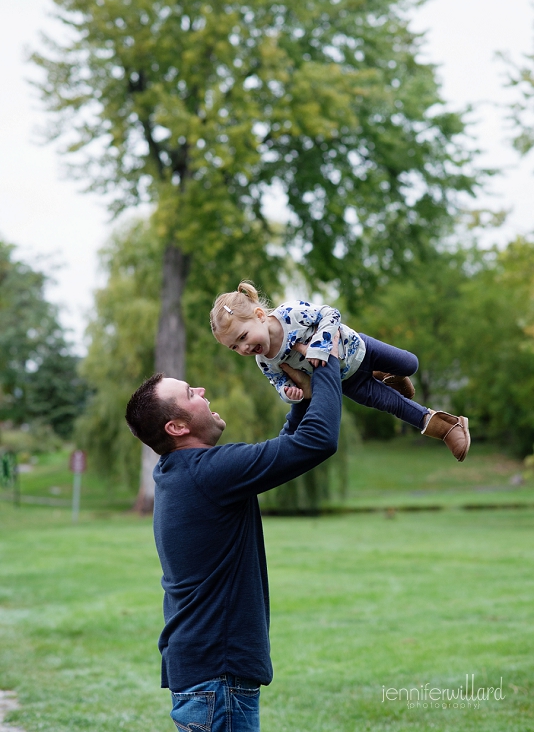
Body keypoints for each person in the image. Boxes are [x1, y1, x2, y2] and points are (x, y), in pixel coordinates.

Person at [125, 335, 342, 732]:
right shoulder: (210, 473)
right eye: (191, 393)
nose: (202, 391)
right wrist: (326, 359)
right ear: (176, 426)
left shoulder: (180, 473)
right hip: (217, 679)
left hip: (206, 675)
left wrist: (302, 401)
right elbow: (318, 442)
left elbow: (286, 449)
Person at [210, 281, 470, 462]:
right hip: (346, 381)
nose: (244, 348)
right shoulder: (265, 361)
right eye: (235, 347)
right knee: (393, 404)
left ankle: (388, 375)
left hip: (359, 348)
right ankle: (449, 428)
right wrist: (290, 393)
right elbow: (278, 382)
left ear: (259, 315)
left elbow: (330, 314)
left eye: (243, 337)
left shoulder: (290, 314)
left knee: (410, 364)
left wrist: (320, 347)